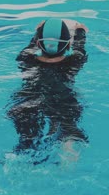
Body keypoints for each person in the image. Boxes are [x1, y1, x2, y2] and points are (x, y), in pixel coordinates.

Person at [7, 18, 89, 164]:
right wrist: (81, 31)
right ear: (68, 44)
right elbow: (80, 45)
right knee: (68, 130)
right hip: (63, 98)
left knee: (27, 139)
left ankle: (15, 161)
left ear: (39, 44)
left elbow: (34, 44)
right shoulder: (76, 58)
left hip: (27, 99)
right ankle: (68, 154)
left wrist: (38, 31)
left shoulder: (26, 56)